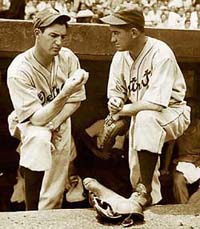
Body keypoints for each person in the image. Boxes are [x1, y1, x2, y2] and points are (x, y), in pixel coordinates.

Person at [84, 6, 191, 224]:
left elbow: (156, 103)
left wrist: (120, 114)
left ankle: (144, 192)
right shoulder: (120, 57)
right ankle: (148, 200)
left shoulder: (161, 53)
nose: (112, 38)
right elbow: (115, 93)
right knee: (138, 166)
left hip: (173, 111)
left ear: (133, 32)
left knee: (145, 119)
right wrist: (115, 103)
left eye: (117, 32)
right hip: (141, 116)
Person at [7, 8, 89, 210]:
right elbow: (36, 119)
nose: (59, 42)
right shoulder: (19, 69)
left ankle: (46, 217)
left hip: (59, 119)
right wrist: (64, 92)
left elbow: (76, 101)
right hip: (26, 121)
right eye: (53, 36)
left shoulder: (68, 58)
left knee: (55, 185)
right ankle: (30, 213)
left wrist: (55, 123)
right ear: (37, 33)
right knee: (38, 138)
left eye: (62, 36)